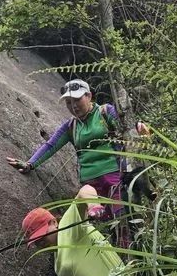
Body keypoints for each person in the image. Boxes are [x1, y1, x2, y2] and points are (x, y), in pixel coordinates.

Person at [7, 79, 125, 224]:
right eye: (68, 102)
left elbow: (126, 127)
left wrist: (140, 128)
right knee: (104, 227)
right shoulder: (71, 126)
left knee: (122, 222)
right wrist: (30, 164)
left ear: (88, 95)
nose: (73, 106)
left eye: (77, 99)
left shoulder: (105, 112)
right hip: (91, 185)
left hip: (114, 176)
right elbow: (51, 145)